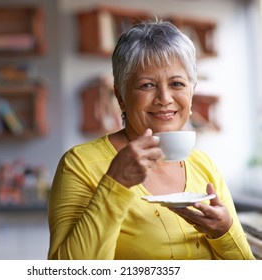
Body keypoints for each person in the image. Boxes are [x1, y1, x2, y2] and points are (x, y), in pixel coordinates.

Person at [47, 20, 255, 260]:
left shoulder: (204, 165)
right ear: (121, 96)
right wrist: (115, 184)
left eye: (177, 83)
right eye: (146, 85)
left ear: (191, 92)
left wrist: (224, 231)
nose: (164, 98)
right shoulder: (80, 164)